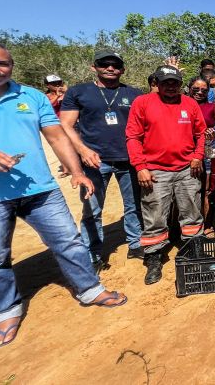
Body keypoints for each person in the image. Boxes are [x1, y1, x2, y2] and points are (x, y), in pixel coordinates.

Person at [0, 45, 128, 347]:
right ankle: (7, 309)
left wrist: (77, 171)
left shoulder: (32, 97)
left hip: (40, 188)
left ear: (12, 65)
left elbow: (57, 135)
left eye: (3, 63)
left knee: (67, 239)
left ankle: (89, 288)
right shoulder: (78, 93)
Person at [60, 49, 145, 271]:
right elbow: (65, 125)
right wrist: (82, 150)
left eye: (115, 65)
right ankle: (93, 253)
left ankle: (136, 243)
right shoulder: (79, 92)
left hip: (128, 158)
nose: (110, 68)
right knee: (92, 208)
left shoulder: (134, 94)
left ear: (122, 69)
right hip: (94, 160)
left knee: (134, 204)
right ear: (94, 67)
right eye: (104, 64)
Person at [126, 65, 206, 285]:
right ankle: (154, 257)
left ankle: (193, 249)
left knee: (191, 211)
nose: (170, 86)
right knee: (155, 215)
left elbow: (201, 133)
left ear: (181, 84)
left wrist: (198, 155)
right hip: (155, 170)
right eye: (166, 82)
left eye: (175, 82)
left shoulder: (189, 104)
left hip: (187, 169)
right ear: (157, 83)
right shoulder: (142, 103)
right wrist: (140, 166)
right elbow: (133, 137)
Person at [187, 76, 215, 235]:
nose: (200, 92)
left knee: (207, 190)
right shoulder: (180, 103)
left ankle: (206, 224)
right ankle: (185, 226)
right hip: (186, 152)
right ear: (189, 88)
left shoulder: (211, 107)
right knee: (188, 190)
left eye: (204, 90)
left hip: (207, 150)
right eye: (196, 89)